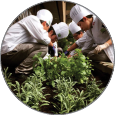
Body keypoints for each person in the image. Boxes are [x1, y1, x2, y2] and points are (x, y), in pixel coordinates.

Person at [1, 9, 54, 77]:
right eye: (47, 30)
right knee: (44, 48)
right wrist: (52, 45)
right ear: (44, 23)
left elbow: (39, 54)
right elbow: (44, 39)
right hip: (7, 50)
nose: (46, 32)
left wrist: (51, 60)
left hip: (9, 53)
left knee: (42, 49)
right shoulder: (32, 19)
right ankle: (21, 72)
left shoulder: (34, 34)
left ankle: (11, 68)